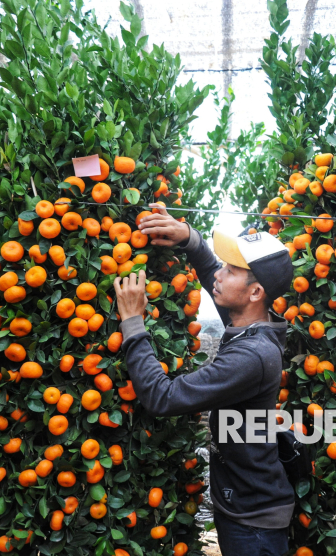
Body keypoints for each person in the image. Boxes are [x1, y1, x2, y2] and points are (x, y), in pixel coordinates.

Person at [113, 206, 295, 556]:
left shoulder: (252, 356)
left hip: (253, 522)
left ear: (256, 292)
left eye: (231, 270)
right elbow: (213, 273)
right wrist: (190, 239)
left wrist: (133, 322)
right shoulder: (251, 320)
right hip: (246, 504)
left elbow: (162, 397)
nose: (219, 276)